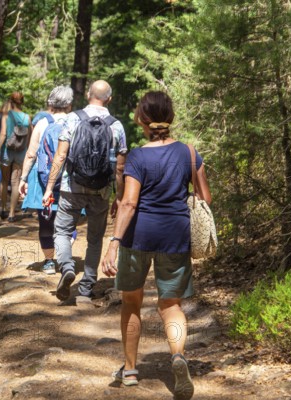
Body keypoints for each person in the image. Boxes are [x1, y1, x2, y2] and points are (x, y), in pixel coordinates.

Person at [100, 91, 211, 400]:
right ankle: (177, 356)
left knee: (132, 302)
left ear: (142, 119)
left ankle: (131, 370)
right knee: (171, 305)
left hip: (139, 236)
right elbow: (205, 199)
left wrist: (113, 243)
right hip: (175, 235)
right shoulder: (189, 153)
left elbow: (129, 203)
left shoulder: (137, 156)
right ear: (170, 117)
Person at [42, 80, 127, 301]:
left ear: (88, 94)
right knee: (95, 239)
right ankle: (85, 290)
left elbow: (60, 156)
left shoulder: (73, 119)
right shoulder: (116, 126)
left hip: (72, 188)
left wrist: (50, 187)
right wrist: (119, 196)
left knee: (61, 231)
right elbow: (120, 167)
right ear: (109, 98)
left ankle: (67, 267)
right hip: (101, 191)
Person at [19, 86, 77, 275]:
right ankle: (65, 248)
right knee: (69, 218)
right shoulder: (76, 122)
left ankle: (49, 262)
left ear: (50, 103)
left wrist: (23, 178)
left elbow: (31, 154)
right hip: (70, 178)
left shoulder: (43, 123)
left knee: (45, 221)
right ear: (69, 104)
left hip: (42, 178)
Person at [0, 92, 31, 222]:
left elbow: (3, 134)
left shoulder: (7, 116)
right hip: (21, 153)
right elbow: (29, 137)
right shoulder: (27, 118)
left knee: (5, 181)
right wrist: (27, 152)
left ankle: (3, 208)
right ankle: (12, 214)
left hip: (7, 151)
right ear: (22, 102)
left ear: (11, 101)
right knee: (16, 183)